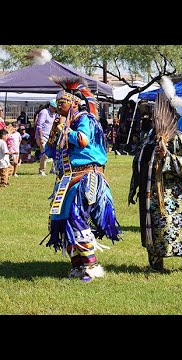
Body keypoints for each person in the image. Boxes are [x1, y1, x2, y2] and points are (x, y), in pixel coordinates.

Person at [40, 76, 121, 282]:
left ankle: (91, 264)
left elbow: (83, 140)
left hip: (86, 176)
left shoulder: (85, 119)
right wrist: (53, 134)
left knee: (76, 217)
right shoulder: (62, 123)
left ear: (74, 103)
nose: (58, 107)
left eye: (62, 103)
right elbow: (49, 152)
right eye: (57, 103)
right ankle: (77, 265)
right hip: (65, 180)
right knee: (62, 221)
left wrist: (64, 131)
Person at [129, 88, 182, 273]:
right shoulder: (148, 137)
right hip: (148, 192)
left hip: (171, 194)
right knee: (151, 226)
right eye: (153, 117)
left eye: (158, 116)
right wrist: (135, 186)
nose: (155, 120)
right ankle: (156, 263)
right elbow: (139, 161)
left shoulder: (179, 138)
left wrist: (167, 157)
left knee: (175, 225)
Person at [35, 99, 57, 176]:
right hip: (42, 136)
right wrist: (40, 137)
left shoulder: (54, 114)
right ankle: (41, 170)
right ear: (50, 106)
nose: (55, 109)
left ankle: (53, 169)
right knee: (45, 153)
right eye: (54, 108)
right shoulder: (44, 112)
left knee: (54, 153)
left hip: (50, 137)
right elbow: (39, 126)